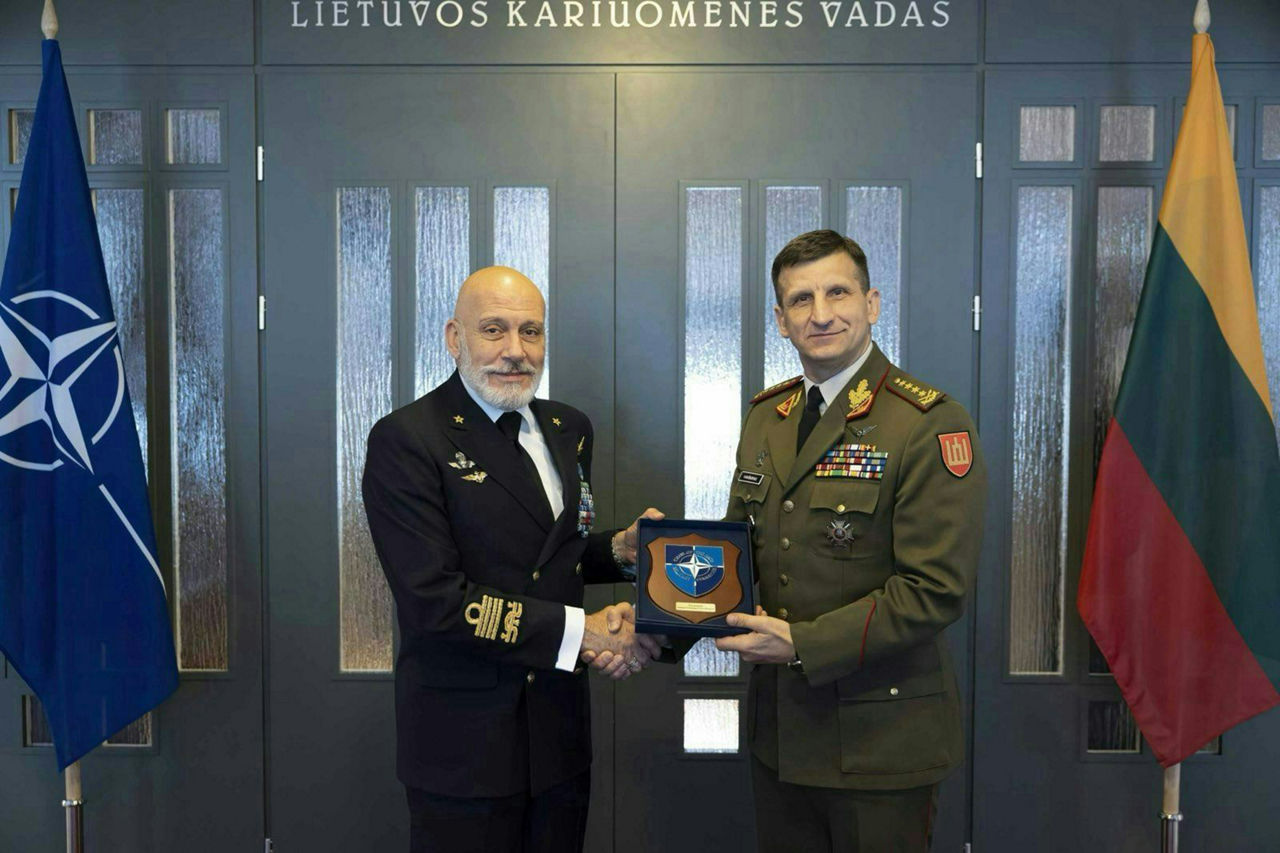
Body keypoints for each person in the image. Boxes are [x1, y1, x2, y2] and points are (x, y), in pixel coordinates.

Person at [362, 265, 661, 853]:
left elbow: (547, 556)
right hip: (463, 746)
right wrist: (589, 631)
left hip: (558, 733)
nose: (515, 352)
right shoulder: (408, 439)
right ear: (455, 338)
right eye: (494, 330)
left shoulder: (568, 427)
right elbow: (435, 601)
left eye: (532, 332)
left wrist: (620, 552)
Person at [715, 230, 987, 852]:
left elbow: (935, 590)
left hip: (882, 740)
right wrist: (674, 609)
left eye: (838, 292)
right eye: (801, 299)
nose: (821, 313)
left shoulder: (927, 422)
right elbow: (741, 555)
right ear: (781, 321)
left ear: (872, 303)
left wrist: (804, 644)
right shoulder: (768, 415)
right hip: (779, 734)